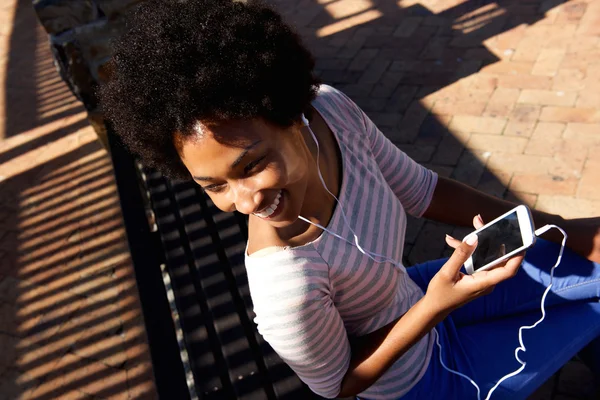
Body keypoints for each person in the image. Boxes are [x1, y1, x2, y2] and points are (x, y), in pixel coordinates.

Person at [99, 1, 600, 398]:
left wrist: (562, 226)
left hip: (425, 293)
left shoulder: (330, 113)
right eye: (214, 186)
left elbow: (422, 190)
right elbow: (339, 384)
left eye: (250, 166)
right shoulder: (286, 289)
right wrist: (435, 306)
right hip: (425, 381)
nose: (245, 200)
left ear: (292, 115)